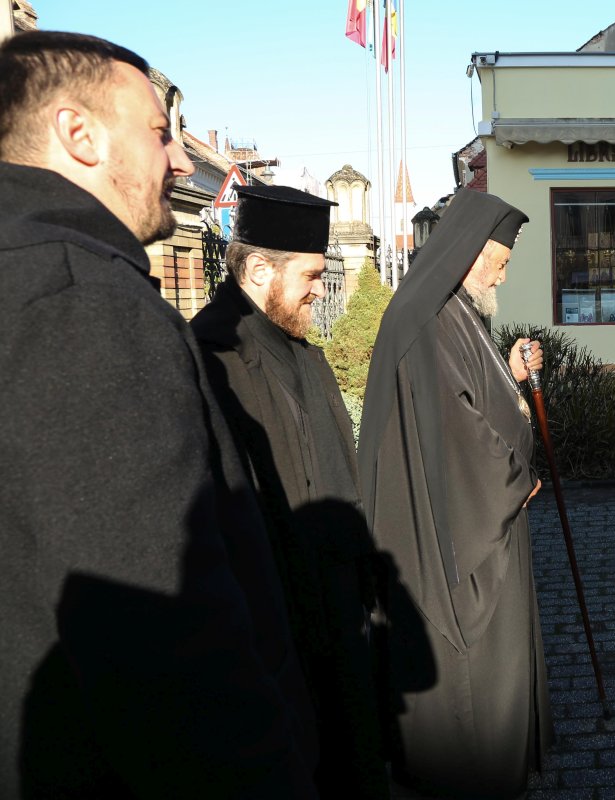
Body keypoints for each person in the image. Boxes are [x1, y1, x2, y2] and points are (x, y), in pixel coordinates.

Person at [0, 31, 319, 798]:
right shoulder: (84, 302)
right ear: (79, 134)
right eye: (159, 131)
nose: (180, 160)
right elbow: (158, 630)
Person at [191, 184, 387, 799]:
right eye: (310, 275)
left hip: (335, 617)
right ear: (256, 268)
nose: (318, 289)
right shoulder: (207, 359)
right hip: (277, 632)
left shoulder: (300, 348)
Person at [358, 189, 552, 799]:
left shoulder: (453, 308)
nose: (504, 269)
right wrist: (513, 481)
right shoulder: (429, 316)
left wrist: (511, 373)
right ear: (470, 253)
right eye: (500, 257)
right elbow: (453, 428)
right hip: (460, 537)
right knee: (475, 681)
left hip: (475, 518)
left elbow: (468, 388)